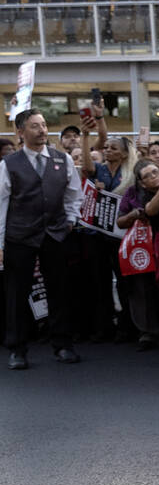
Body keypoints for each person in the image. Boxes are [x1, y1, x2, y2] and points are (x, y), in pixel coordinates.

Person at [0, 109, 84, 370]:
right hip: (19, 235)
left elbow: (74, 195)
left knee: (60, 290)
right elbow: (1, 204)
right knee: (17, 294)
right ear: (21, 132)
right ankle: (17, 349)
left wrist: (71, 220)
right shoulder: (8, 164)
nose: (42, 130)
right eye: (35, 126)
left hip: (56, 233)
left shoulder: (63, 159)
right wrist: (0, 242)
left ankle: (62, 345)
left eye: (44, 125)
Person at [116, 161, 159, 351]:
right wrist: (134, 215)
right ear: (142, 183)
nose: (154, 176)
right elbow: (120, 221)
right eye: (148, 175)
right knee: (143, 289)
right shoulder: (133, 194)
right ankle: (147, 331)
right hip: (141, 248)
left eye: (156, 171)